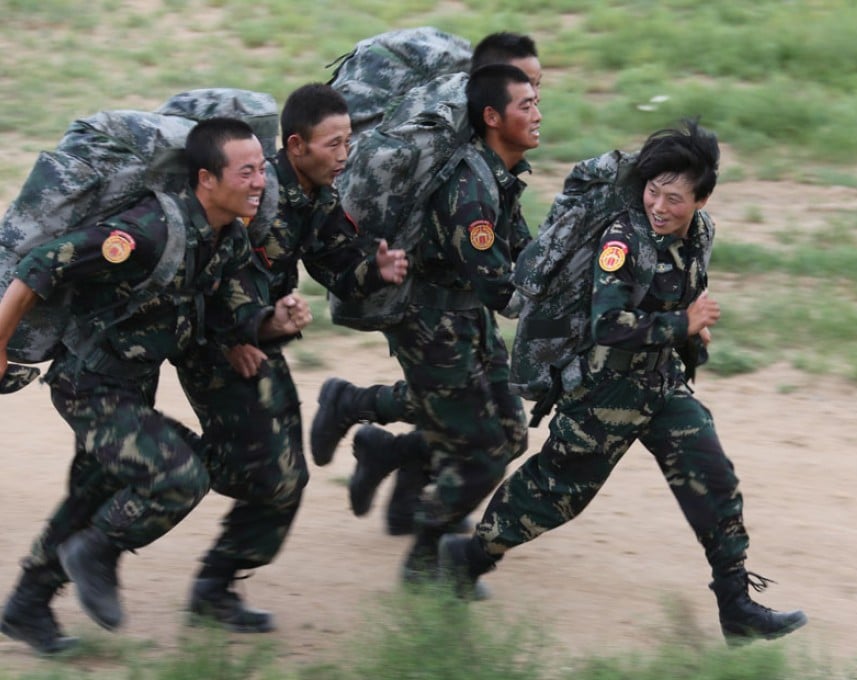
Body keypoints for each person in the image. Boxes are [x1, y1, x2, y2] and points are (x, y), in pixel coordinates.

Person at [439, 121, 808, 644]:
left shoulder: (700, 234)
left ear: (701, 200)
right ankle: (469, 557)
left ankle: (736, 607)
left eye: (674, 197)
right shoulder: (622, 239)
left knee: (713, 480)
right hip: (603, 396)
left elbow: (678, 296)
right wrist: (683, 325)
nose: (659, 205)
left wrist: (689, 341)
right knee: (555, 494)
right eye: (652, 190)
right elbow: (606, 325)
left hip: (660, 387)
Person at [0, 118, 308, 654]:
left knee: (98, 490)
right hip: (89, 385)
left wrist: (272, 323)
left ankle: (28, 604)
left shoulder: (225, 238)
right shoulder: (146, 233)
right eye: (248, 171)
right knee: (177, 478)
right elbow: (39, 266)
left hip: (131, 385)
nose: (262, 181)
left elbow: (231, 312)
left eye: (263, 169)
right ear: (207, 180)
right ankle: (97, 551)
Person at [173, 83, 408, 632]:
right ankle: (146, 513)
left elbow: (333, 266)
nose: (344, 154)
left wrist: (375, 270)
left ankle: (215, 583)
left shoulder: (316, 196)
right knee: (269, 473)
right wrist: (233, 336)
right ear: (296, 144)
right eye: (334, 144)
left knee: (284, 475)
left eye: (349, 141)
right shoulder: (256, 192)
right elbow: (206, 269)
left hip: (259, 338)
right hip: (218, 345)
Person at [311, 31, 542, 537]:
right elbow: (501, 283)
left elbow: (514, 240)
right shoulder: (462, 169)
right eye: (527, 89)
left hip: (461, 303)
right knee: (479, 440)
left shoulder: (490, 154)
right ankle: (430, 557)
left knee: (507, 431)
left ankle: (391, 458)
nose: (538, 101)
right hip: (427, 308)